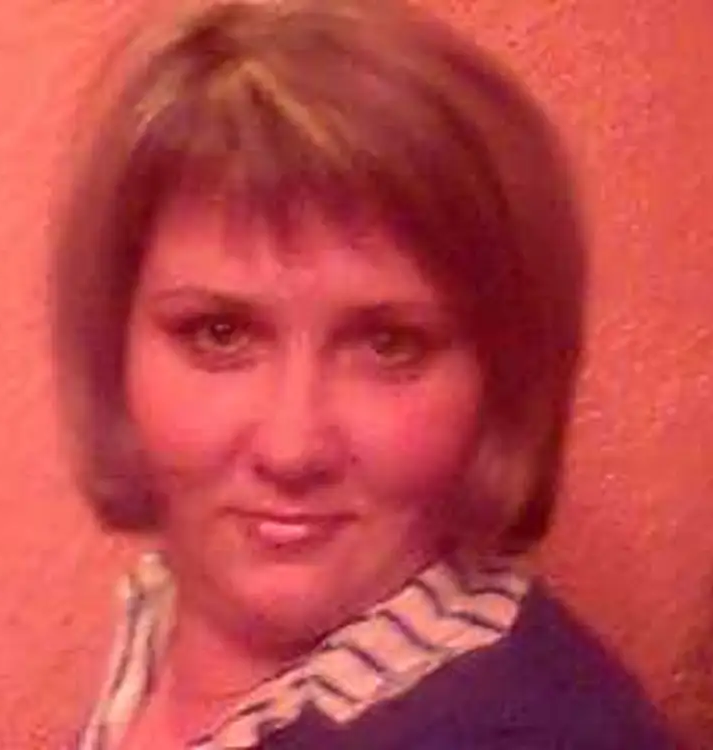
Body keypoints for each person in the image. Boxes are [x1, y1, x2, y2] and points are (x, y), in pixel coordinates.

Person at [52, 1, 676, 747]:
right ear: (114, 337)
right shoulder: (166, 617)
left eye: (388, 345)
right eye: (219, 333)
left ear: (503, 375)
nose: (292, 448)